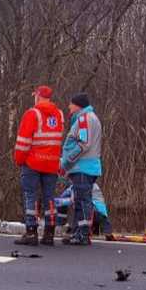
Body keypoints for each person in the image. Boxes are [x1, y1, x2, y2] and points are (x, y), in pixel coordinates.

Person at [12, 85, 64, 246]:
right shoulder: (59, 114)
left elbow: (23, 142)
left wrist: (19, 160)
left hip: (33, 162)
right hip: (52, 162)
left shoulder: (32, 114)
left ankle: (31, 232)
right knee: (50, 198)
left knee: (31, 196)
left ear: (38, 96)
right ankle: (49, 233)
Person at [60, 92, 103, 245]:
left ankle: (83, 234)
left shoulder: (84, 119)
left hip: (83, 166)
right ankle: (79, 232)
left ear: (78, 105)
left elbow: (84, 144)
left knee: (83, 200)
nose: (69, 106)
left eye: (71, 103)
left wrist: (66, 162)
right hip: (87, 166)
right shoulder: (91, 118)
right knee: (80, 199)